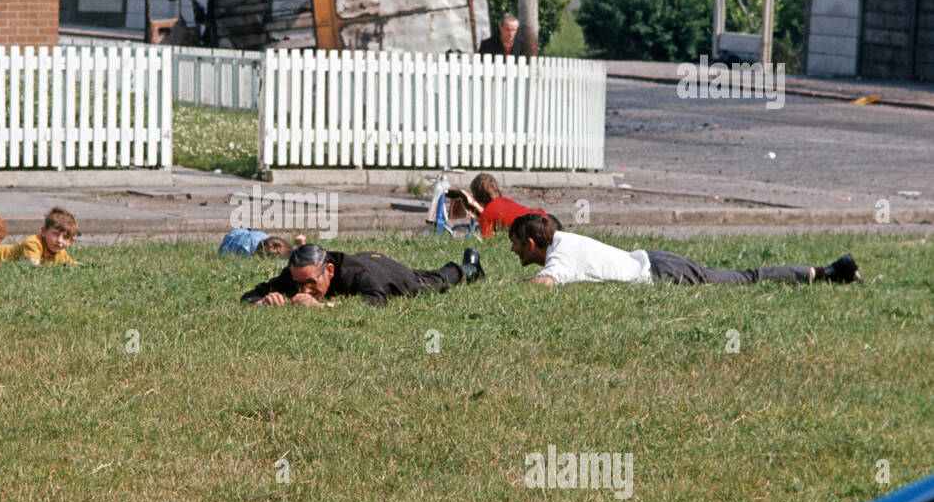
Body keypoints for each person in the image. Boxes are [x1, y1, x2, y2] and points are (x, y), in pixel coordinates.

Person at [507, 213, 861, 287]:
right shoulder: (565, 240)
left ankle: (827, 273)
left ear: (533, 243)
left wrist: (511, 287)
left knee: (745, 278)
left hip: (662, 273)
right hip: (656, 259)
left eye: (516, 244)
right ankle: (827, 273)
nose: (512, 250)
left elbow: (546, 284)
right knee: (738, 276)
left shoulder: (560, 257)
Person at [242, 243, 485, 308]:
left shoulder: (353, 274)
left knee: (425, 283)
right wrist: (261, 302)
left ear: (329, 271)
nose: (304, 290)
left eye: (311, 283)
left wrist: (325, 307)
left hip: (380, 269)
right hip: (365, 258)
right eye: (298, 284)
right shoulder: (297, 274)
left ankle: (469, 269)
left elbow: (377, 299)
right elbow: (249, 295)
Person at [446, 172, 560, 239]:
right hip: (545, 216)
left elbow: (487, 239)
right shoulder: (503, 200)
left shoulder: (487, 214)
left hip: (536, 229)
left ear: (477, 197)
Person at [0, 206, 80, 265]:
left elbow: (73, 264)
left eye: (65, 237)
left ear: (70, 241)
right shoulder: (33, 243)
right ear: (44, 231)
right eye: (55, 234)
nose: (59, 240)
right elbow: (32, 265)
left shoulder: (60, 252)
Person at [217, 228, 293, 257]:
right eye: (276, 245)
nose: (273, 247)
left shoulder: (245, 249)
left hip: (234, 236)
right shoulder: (263, 237)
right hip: (239, 233)